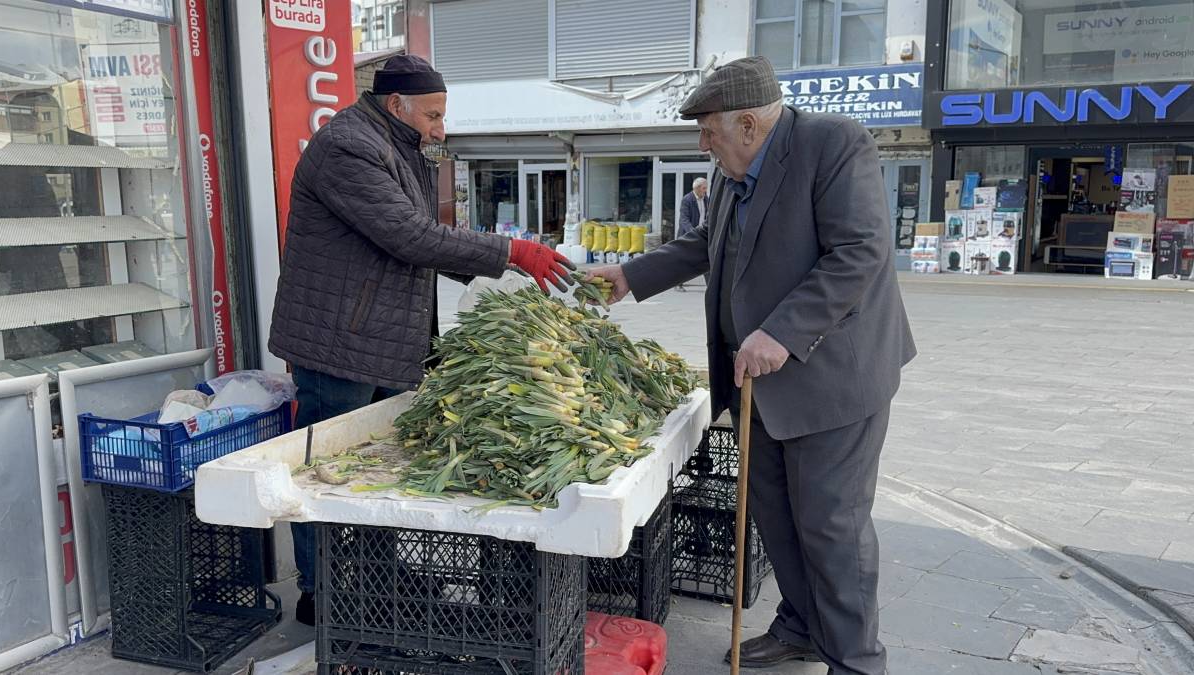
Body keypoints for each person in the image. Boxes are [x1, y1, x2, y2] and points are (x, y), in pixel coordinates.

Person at [589, 56, 915, 675]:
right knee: (775, 515)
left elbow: (860, 251)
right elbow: (703, 244)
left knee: (830, 526)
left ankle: (857, 661)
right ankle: (799, 625)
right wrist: (630, 276)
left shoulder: (834, 144)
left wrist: (783, 333)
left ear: (747, 125)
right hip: (756, 384)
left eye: (708, 130)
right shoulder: (733, 173)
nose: (702, 143)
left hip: (831, 381)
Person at [268, 55, 573, 626]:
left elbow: (421, 237)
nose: (440, 127)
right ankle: (321, 592)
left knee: (379, 466)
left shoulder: (397, 146)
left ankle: (378, 574)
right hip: (340, 342)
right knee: (325, 472)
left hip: (379, 338)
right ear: (396, 106)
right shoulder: (347, 148)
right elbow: (408, 236)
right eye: (433, 115)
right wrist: (509, 253)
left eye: (442, 115)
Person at [676, 177, 709, 291]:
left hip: (702, 233)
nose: (706, 190)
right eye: (704, 188)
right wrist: (693, 233)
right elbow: (684, 220)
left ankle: (710, 285)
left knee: (705, 258)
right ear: (697, 188)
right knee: (684, 260)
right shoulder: (687, 200)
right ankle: (678, 283)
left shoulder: (706, 199)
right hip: (689, 235)